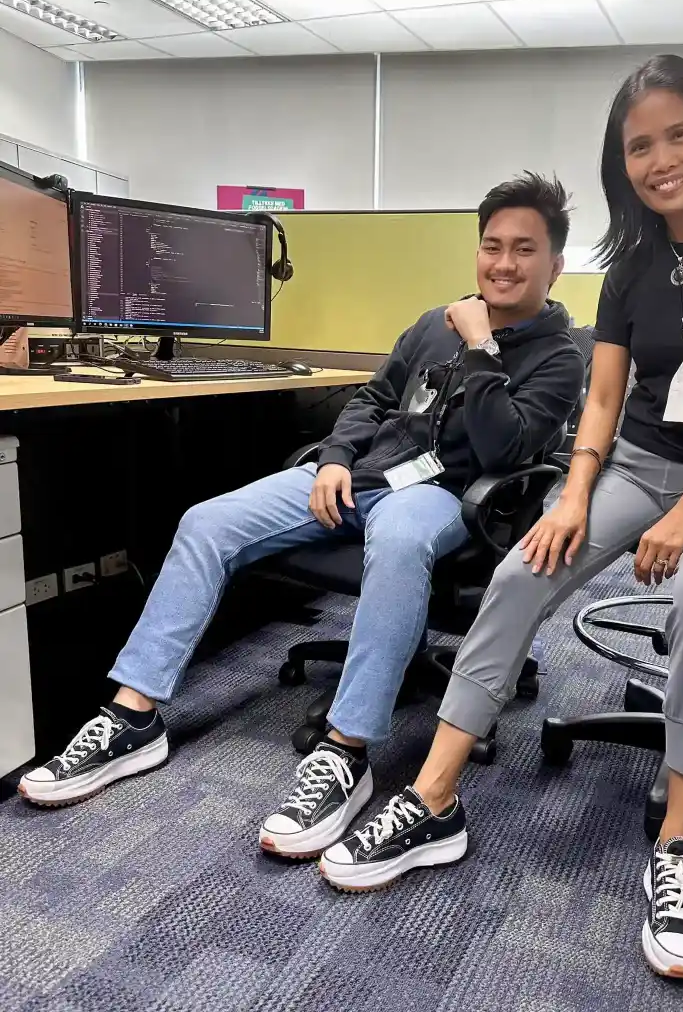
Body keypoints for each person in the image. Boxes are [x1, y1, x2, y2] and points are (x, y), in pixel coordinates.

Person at [315, 55, 683, 981]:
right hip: (631, 464)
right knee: (519, 576)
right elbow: (602, 399)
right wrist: (577, 494)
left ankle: (676, 847)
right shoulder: (629, 263)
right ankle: (434, 798)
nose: (660, 158)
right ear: (618, 161)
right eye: (639, 145)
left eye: (679, 134)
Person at [18, 173, 586, 840]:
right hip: (361, 478)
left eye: (524, 250)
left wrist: (481, 349)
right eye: (492, 246)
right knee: (207, 522)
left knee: (400, 544)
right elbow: (373, 401)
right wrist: (337, 459)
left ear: (556, 264)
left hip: (445, 496)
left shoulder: (561, 355)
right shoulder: (433, 324)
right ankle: (134, 715)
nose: (504, 263)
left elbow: (502, 450)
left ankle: (346, 752)